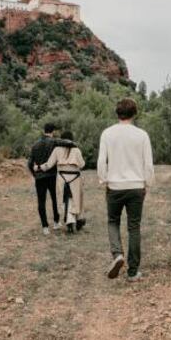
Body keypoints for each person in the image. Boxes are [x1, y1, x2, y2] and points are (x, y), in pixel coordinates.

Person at [97, 98, 154, 282]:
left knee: (113, 221)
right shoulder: (142, 135)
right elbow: (148, 163)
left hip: (114, 186)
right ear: (134, 113)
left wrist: (103, 179)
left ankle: (117, 254)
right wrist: (147, 183)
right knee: (134, 227)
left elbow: (101, 160)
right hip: (136, 186)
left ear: (117, 113)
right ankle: (132, 272)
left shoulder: (107, 133)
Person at [28, 123, 76, 235]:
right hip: (52, 176)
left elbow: (30, 163)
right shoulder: (53, 141)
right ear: (52, 131)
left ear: (44, 130)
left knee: (41, 201)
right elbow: (67, 142)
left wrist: (34, 174)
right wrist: (74, 144)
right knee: (55, 199)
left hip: (39, 177)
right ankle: (56, 222)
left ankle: (45, 227)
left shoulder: (35, 145)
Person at [38, 131, 86, 234]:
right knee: (75, 199)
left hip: (62, 179)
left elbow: (49, 164)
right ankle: (77, 219)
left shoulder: (57, 149)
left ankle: (69, 221)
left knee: (63, 199)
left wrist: (38, 167)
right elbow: (82, 165)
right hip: (75, 179)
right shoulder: (77, 150)